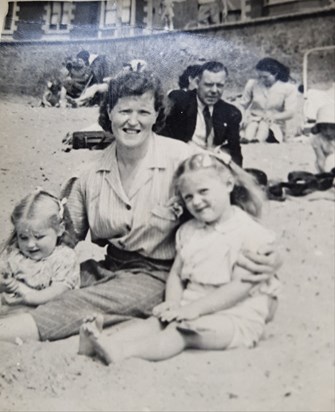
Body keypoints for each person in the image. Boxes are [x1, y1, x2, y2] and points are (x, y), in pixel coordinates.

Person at [0, 70, 281, 343]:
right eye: (124, 111)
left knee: (78, 303)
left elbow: (239, 197)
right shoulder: (89, 174)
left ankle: (13, 330)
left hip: (161, 275)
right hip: (110, 266)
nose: (132, 121)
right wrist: (18, 264)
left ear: (157, 115)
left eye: (143, 112)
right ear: (108, 111)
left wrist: (271, 256)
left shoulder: (182, 159)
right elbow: (62, 237)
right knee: (55, 284)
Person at [78, 150, 281, 364]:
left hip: (234, 315)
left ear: (229, 184)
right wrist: (173, 303)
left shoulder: (248, 232)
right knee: (156, 322)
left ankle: (124, 351)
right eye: (189, 197)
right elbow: (176, 273)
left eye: (204, 191)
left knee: (183, 331)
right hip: (190, 305)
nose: (197, 201)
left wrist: (194, 310)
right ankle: (100, 341)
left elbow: (240, 287)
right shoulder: (189, 231)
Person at [0, 189, 80, 309]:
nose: (30, 244)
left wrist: (24, 293)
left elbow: (57, 293)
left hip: (46, 312)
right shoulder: (13, 253)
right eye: (23, 237)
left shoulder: (64, 258)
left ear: (59, 229)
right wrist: (4, 284)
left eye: (38, 237)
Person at [162, 61, 243, 166]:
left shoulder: (230, 112)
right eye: (208, 85)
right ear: (197, 83)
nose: (214, 90)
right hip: (183, 162)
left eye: (219, 85)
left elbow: (235, 151)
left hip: (214, 164)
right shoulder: (181, 102)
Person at [239, 57, 298, 143]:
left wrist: (274, 117)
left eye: (265, 77)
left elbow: (290, 113)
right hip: (254, 119)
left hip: (274, 123)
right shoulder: (252, 84)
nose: (262, 80)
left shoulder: (288, 88)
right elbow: (242, 105)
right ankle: (247, 139)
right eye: (259, 77)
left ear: (275, 74)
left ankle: (257, 140)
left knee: (264, 125)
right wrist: (241, 117)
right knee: (252, 125)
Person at [311, 104, 335, 173]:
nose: (328, 132)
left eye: (332, 128)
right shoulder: (317, 139)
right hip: (326, 167)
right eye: (324, 128)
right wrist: (326, 173)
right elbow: (320, 159)